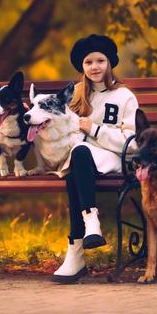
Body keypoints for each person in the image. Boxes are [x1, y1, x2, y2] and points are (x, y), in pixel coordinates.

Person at [52, 33, 139, 283]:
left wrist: (95, 129)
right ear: (82, 66)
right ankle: (79, 247)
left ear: (110, 63)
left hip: (114, 157)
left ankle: (84, 235)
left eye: (100, 61)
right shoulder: (77, 94)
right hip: (83, 160)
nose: (94, 67)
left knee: (78, 157)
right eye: (88, 62)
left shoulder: (124, 96)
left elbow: (132, 143)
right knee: (74, 170)